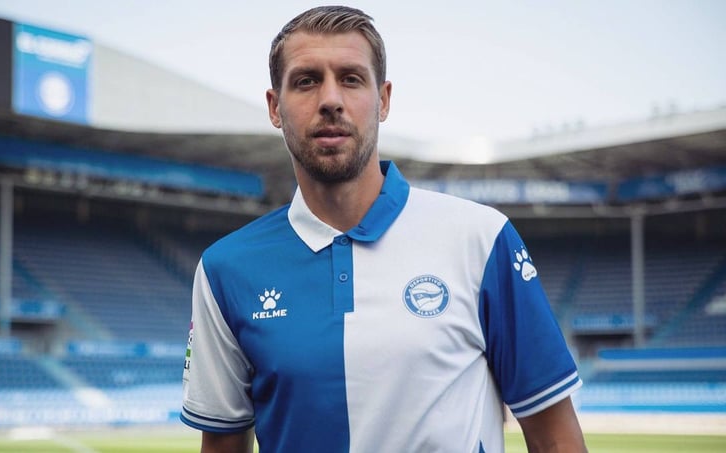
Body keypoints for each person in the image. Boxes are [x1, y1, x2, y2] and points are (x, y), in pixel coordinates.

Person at [181, 5, 587, 452]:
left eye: (351, 78)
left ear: (384, 100)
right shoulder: (225, 270)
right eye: (306, 81)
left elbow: (555, 439)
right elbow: (221, 447)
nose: (330, 99)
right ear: (275, 107)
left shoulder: (482, 239)